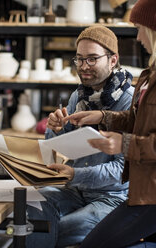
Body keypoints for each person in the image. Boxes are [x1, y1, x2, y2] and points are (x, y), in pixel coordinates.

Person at [63, 0, 156, 247]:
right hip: (151, 181)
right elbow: (142, 118)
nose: (139, 36)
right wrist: (103, 117)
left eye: (141, 27)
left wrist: (125, 144)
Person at [25, 25, 135, 248]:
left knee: (49, 230)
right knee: (33, 201)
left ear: (113, 60)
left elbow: (121, 170)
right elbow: (66, 144)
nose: (84, 67)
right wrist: (54, 129)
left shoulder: (129, 101)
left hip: (111, 198)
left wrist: (75, 174)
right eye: (79, 59)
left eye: (92, 59)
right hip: (75, 191)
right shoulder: (79, 95)